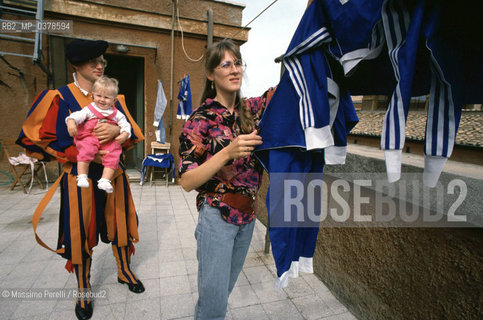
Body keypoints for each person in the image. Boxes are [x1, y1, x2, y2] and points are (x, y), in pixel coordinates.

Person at [17, 39, 145, 320]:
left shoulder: (116, 98)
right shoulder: (60, 98)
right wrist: (82, 155)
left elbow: (133, 135)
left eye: (103, 61)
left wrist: (116, 134)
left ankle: (124, 271)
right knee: (80, 233)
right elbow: (46, 140)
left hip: (114, 175)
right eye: (93, 62)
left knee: (119, 223)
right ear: (76, 65)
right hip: (79, 177)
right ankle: (83, 287)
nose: (100, 65)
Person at [178, 39, 275, 320]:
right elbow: (186, 181)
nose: (235, 70)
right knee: (213, 306)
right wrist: (227, 152)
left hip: (247, 220)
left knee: (221, 295)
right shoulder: (200, 120)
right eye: (226, 64)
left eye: (238, 63)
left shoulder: (252, 110)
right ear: (211, 74)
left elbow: (289, 90)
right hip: (216, 219)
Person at [66, 76, 131, 193]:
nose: (102, 100)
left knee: (114, 155)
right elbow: (77, 116)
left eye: (106, 97)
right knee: (86, 149)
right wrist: (71, 122)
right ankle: (82, 176)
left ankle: (105, 180)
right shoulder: (89, 109)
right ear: (92, 95)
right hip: (89, 136)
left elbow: (125, 125)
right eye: (98, 96)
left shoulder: (116, 113)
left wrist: (125, 134)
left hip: (108, 142)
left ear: (114, 100)